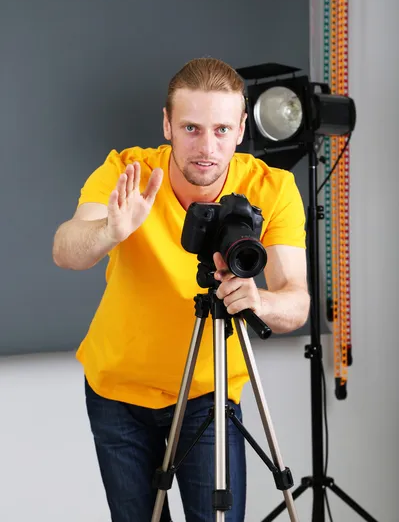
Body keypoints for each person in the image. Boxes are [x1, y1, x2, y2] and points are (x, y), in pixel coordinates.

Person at [52, 57, 310, 522]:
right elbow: (66, 250)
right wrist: (110, 232)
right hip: (118, 393)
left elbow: (296, 303)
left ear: (241, 128)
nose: (206, 147)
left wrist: (259, 299)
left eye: (221, 129)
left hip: (206, 396)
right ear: (167, 124)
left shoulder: (272, 189)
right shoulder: (127, 172)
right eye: (191, 128)